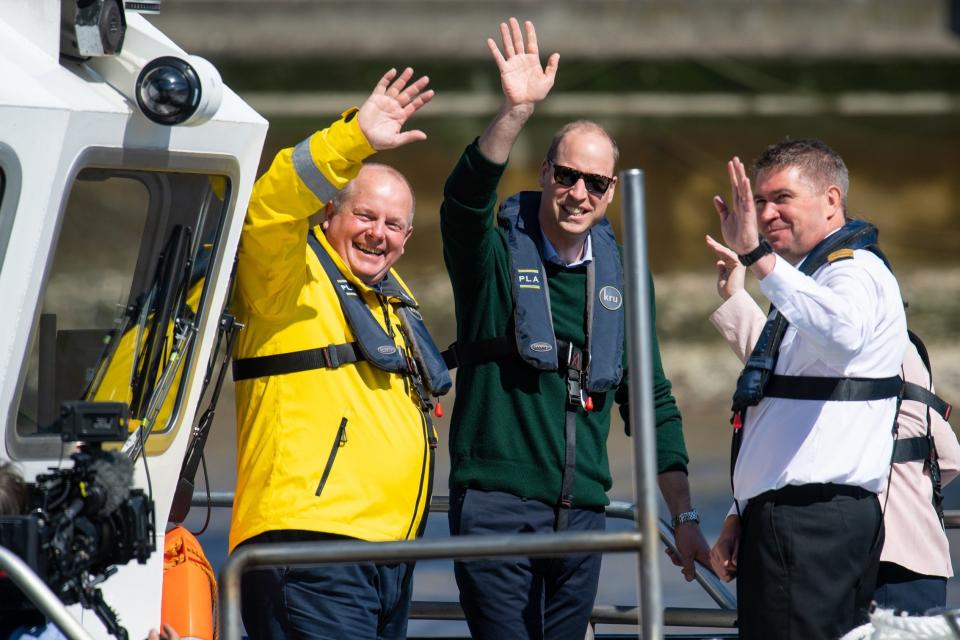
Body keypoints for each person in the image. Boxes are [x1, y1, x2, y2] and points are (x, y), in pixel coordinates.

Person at [439, 18, 710, 639]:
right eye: (566, 175)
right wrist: (514, 112)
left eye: (595, 182)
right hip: (497, 508)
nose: (578, 192)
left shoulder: (621, 276)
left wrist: (685, 515)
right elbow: (462, 205)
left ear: (612, 193)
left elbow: (652, 402)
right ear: (543, 174)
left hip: (582, 515)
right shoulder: (493, 260)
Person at [229, 67, 448, 639]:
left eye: (395, 225)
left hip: (384, 556)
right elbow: (269, 207)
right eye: (366, 216)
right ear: (329, 213)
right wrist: (355, 139)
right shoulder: (287, 278)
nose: (380, 234)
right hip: (310, 549)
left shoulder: (392, 297)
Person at [708, 140, 909, 639]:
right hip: (791, 521)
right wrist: (742, 510)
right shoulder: (811, 280)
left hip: (813, 523)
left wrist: (757, 258)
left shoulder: (853, 271)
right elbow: (787, 394)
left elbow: (841, 338)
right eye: (759, 202)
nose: (765, 213)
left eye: (782, 198)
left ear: (831, 201)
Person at [706, 233, 960, 616]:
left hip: (841, 548)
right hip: (909, 550)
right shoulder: (895, 349)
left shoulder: (858, 349)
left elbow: (785, 373)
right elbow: (949, 457)